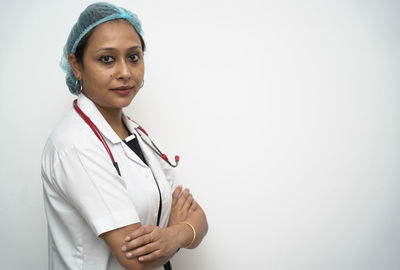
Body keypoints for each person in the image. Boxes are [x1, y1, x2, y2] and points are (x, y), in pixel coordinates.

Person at [41, 2, 208, 270]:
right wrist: (181, 232)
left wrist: (174, 234)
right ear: (76, 65)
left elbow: (198, 217)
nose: (125, 72)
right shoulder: (75, 145)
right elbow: (137, 259)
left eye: (133, 57)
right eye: (107, 59)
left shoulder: (136, 134)